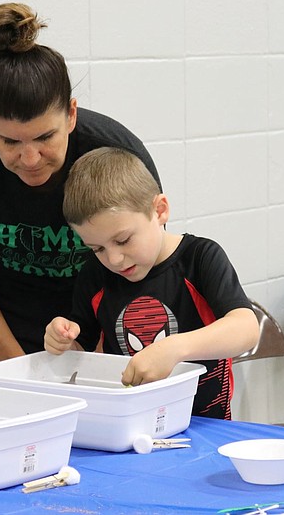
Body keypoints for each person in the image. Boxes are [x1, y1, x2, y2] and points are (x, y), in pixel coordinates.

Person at [0, 3, 161, 382]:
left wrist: (99, 357)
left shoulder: (114, 154)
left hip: (99, 339)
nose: (30, 158)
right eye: (9, 141)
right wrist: (15, 366)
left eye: (46, 137)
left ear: (71, 115)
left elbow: (142, 260)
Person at [44, 147, 259, 420]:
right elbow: (81, 348)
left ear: (160, 210)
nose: (114, 258)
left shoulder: (200, 258)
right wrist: (62, 339)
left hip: (204, 424)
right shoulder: (95, 274)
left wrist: (174, 348)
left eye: (123, 240)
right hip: (130, 422)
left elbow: (246, 328)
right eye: (96, 248)